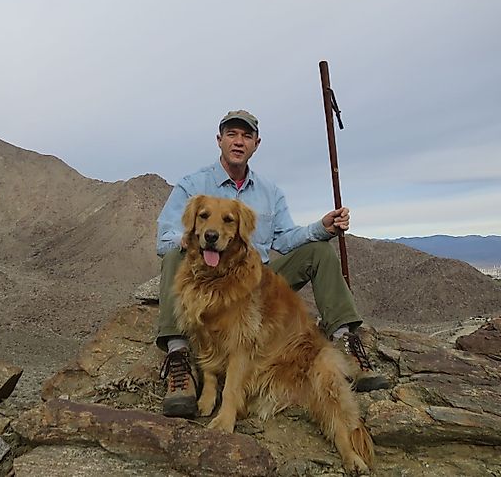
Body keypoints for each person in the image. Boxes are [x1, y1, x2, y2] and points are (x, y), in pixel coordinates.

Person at [155, 109, 389, 418]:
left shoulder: (269, 192)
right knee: (173, 255)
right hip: (209, 278)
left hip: (257, 278)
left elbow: (286, 239)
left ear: (256, 144)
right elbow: (164, 238)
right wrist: (186, 239)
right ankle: (178, 355)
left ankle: (345, 339)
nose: (239, 142)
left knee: (319, 251)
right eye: (232, 134)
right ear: (219, 140)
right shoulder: (193, 185)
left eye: (246, 136)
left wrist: (323, 226)